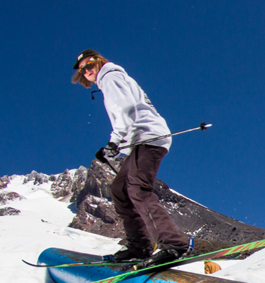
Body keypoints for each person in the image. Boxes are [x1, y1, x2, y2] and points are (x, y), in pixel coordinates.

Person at [72, 49, 191, 265]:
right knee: (119, 189)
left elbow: (124, 110)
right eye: (82, 69)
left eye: (89, 64)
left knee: (137, 188)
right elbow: (128, 114)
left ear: (98, 61)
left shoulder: (109, 76)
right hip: (141, 140)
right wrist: (117, 146)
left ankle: (173, 245)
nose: (86, 71)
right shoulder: (111, 79)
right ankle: (140, 246)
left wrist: (113, 142)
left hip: (150, 137)